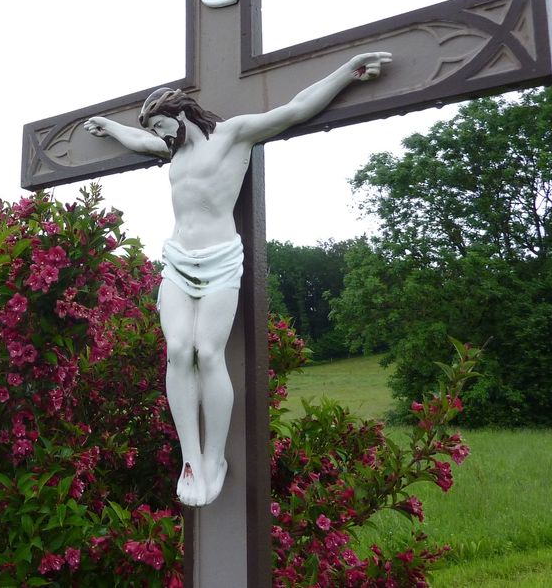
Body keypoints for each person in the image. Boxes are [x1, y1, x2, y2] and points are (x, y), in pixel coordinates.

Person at [83, 52, 392, 507]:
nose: (160, 139)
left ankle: (214, 458)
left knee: (207, 353)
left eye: (163, 128)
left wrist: (347, 73)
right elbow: (136, 141)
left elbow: (296, 108)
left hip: (220, 259)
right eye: (156, 134)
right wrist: (110, 127)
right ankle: (189, 458)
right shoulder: (173, 151)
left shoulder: (232, 136)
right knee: (175, 351)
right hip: (176, 259)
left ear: (181, 114)